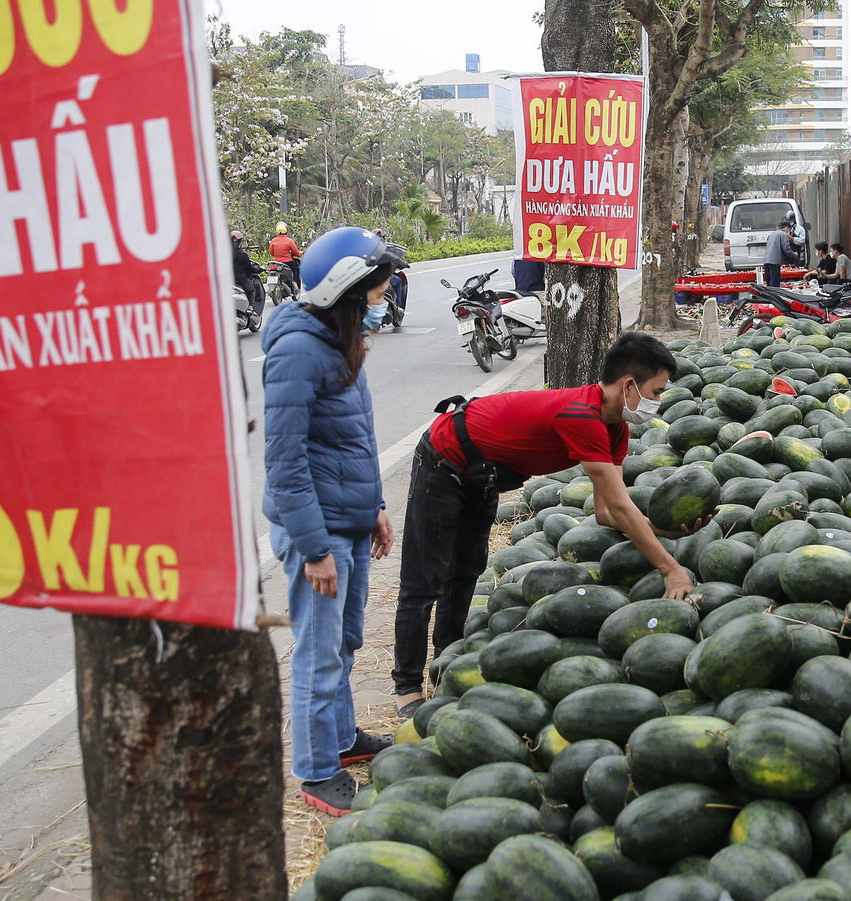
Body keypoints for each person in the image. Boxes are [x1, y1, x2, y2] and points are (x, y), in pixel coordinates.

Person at [391, 332, 684, 717]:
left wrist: (666, 532)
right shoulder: (582, 416)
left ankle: (445, 663)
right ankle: (408, 688)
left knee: (464, 572)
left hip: (484, 473)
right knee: (424, 581)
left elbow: (607, 513)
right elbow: (620, 507)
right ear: (630, 385)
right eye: (657, 391)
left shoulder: (615, 427)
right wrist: (671, 569)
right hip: (444, 460)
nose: (658, 401)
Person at [262, 225, 408, 815]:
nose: (382, 305)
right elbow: (284, 461)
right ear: (343, 295)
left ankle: (342, 740)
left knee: (345, 642)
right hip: (315, 532)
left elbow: (352, 439)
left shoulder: (339, 342)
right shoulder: (299, 350)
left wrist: (372, 507)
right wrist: (315, 546)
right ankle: (317, 770)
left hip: (346, 521)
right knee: (319, 653)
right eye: (374, 297)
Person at [229, 230, 264, 311]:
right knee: (251, 289)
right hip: (239, 279)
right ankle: (250, 307)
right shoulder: (242, 254)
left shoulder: (224, 253)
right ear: (240, 242)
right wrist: (259, 270)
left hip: (228, 280)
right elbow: (250, 268)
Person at [762, 215, 799, 288]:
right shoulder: (783, 235)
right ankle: (774, 297)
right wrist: (794, 255)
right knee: (775, 284)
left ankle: (769, 297)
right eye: (789, 230)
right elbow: (786, 249)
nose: (788, 232)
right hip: (774, 261)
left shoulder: (772, 234)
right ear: (786, 228)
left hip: (766, 260)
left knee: (769, 284)